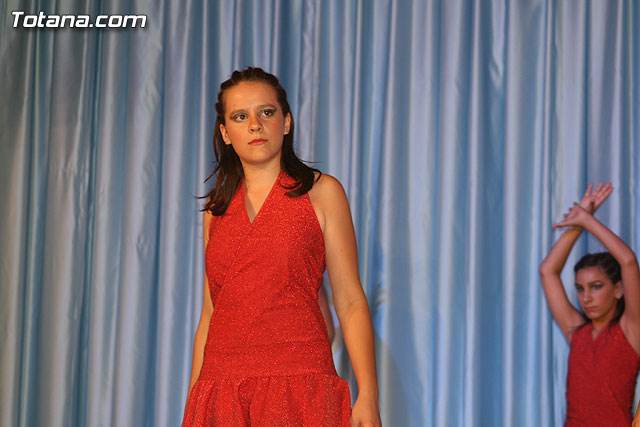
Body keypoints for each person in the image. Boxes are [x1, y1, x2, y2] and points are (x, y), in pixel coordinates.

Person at [182, 67, 381, 427]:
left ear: (286, 122)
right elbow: (211, 313)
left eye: (266, 112)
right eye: (240, 116)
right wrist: (194, 402)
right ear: (225, 133)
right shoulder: (216, 210)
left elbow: (350, 301)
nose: (255, 125)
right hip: (222, 390)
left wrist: (367, 396)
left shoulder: (322, 193)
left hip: (301, 387)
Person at [539, 183, 640, 426]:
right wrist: (576, 226)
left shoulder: (631, 330)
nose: (586, 298)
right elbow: (547, 271)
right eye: (580, 288)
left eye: (596, 287)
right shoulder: (577, 332)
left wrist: (587, 221)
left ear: (618, 290)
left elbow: (628, 261)